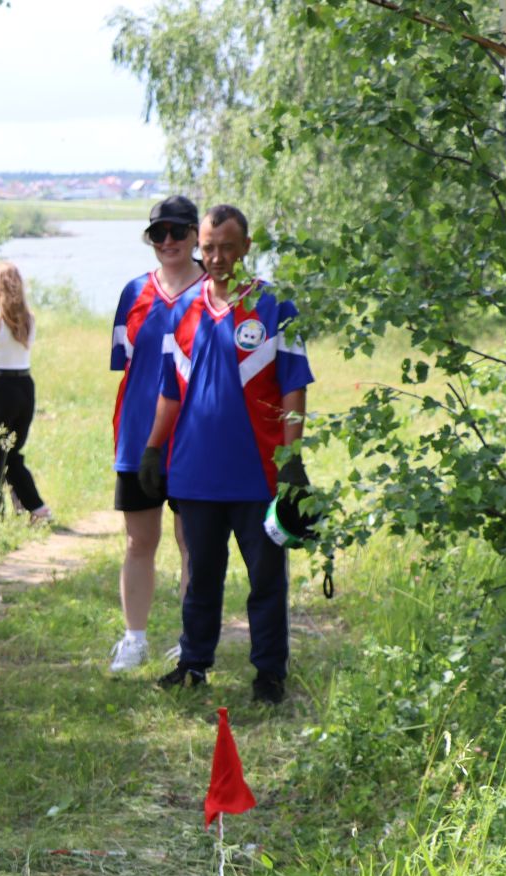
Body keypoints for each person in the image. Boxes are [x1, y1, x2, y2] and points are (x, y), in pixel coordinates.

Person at [143, 204, 313, 703]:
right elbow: (170, 391)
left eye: (227, 247)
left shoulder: (275, 305)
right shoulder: (183, 310)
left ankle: (269, 674)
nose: (216, 257)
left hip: (259, 474)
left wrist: (293, 457)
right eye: (209, 247)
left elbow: (294, 385)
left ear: (246, 247)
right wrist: (154, 449)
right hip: (195, 474)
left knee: (266, 580)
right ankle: (194, 663)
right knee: (201, 577)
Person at [107, 196, 205, 672]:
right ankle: (134, 639)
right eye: (158, 233)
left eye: (178, 231)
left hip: (194, 442)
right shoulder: (134, 293)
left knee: (193, 543)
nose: (168, 241)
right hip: (137, 439)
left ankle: (191, 641)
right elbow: (126, 365)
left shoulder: (214, 293)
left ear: (196, 235)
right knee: (138, 542)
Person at [0, 260, 49, 523]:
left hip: (0, 388)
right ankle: (33, 508)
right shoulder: (28, 318)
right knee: (12, 453)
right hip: (25, 387)